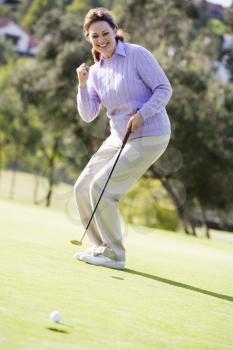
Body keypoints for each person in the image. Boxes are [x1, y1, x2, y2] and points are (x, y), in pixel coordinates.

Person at [74, 7, 172, 270]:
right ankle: (101, 246)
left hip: (150, 135)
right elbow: (88, 114)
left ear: (115, 32)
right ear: (88, 38)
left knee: (101, 188)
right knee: (82, 187)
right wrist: (82, 85)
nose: (101, 40)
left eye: (105, 33)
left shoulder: (137, 55)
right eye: (95, 36)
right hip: (119, 137)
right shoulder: (95, 71)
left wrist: (143, 113)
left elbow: (164, 88)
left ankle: (116, 254)